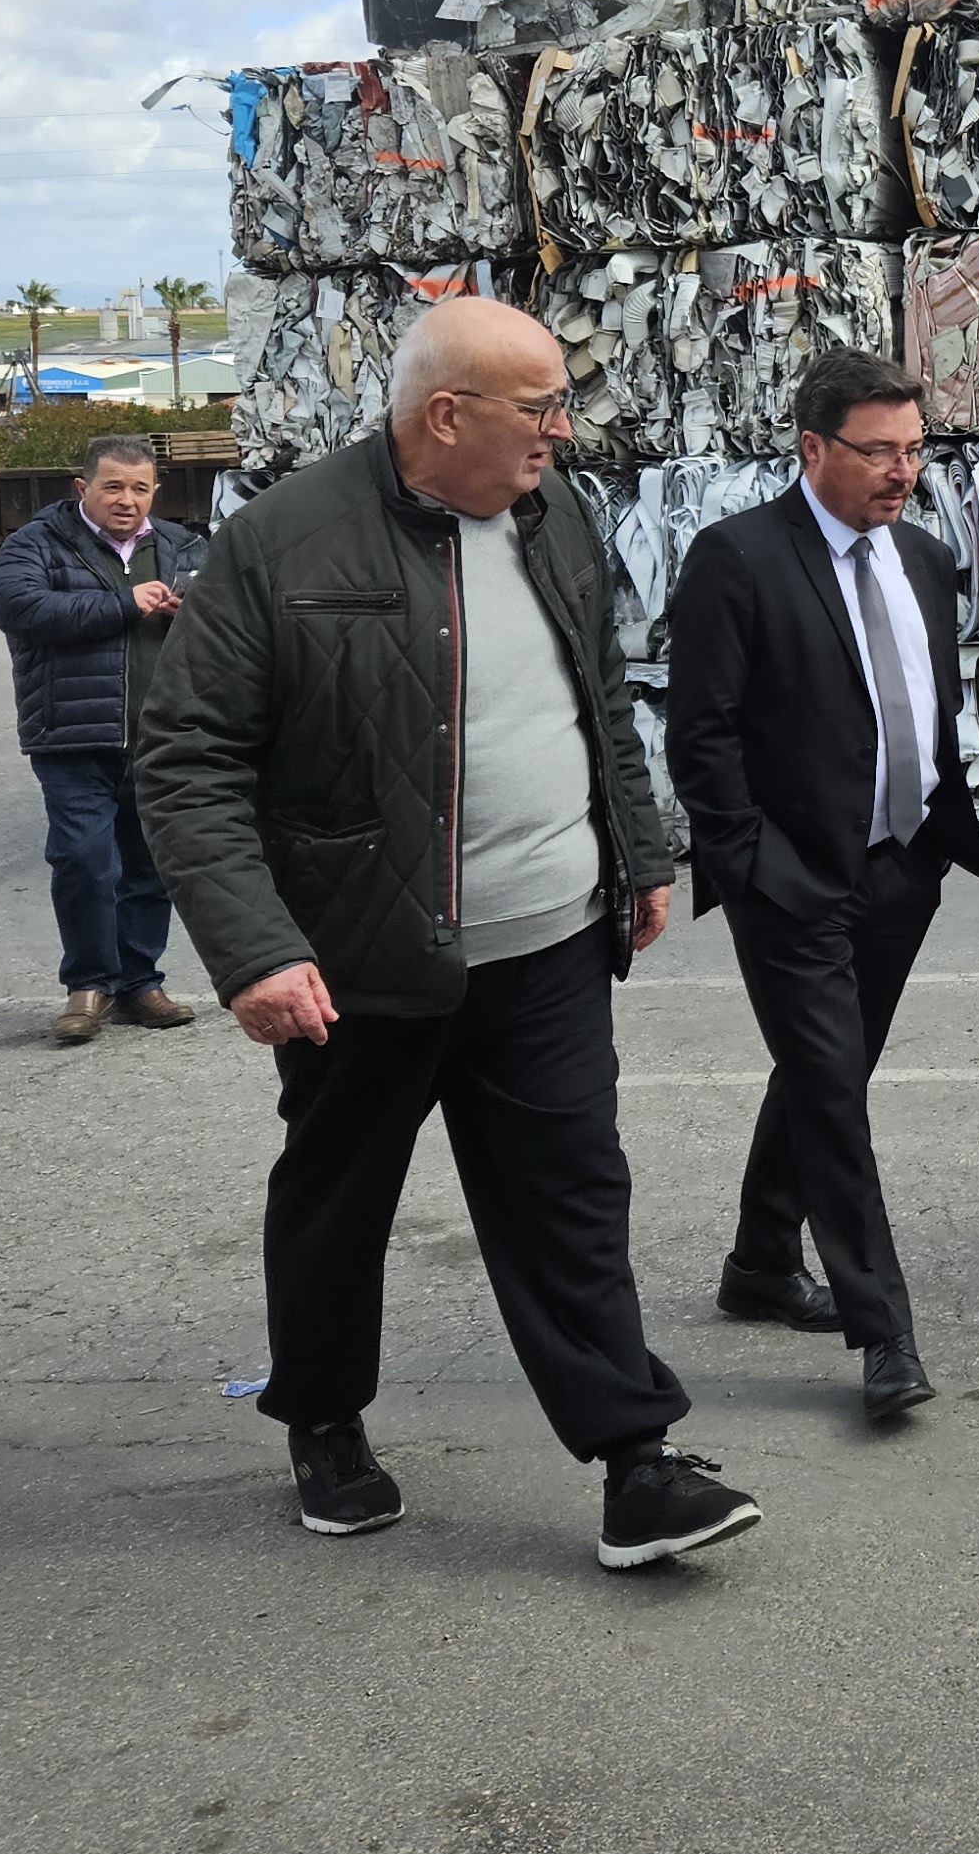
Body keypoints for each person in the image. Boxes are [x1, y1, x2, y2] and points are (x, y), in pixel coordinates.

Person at [135, 294, 757, 1572]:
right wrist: (254, 949)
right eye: (538, 409)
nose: (560, 431)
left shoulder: (555, 515)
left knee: (573, 1197)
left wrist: (639, 853)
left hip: (548, 944)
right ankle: (322, 1418)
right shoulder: (283, 540)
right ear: (446, 414)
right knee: (339, 1196)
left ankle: (636, 1463)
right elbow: (188, 756)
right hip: (362, 958)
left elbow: (597, 700)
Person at [663, 349, 979, 1424]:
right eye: (879, 452)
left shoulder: (922, 558)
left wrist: (933, 837)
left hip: (902, 865)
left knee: (828, 1071)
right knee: (829, 1089)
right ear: (813, 447)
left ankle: (761, 1263)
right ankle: (883, 1328)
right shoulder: (737, 558)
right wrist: (751, 864)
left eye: (914, 449)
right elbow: (700, 735)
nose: (902, 471)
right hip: (792, 881)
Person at [0, 435, 207, 1044]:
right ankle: (89, 985)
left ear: (155, 490)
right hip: (72, 735)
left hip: (162, 734)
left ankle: (140, 984)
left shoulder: (183, 546)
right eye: (113, 486)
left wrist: (193, 607)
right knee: (85, 861)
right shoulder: (35, 544)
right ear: (82, 488)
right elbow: (19, 607)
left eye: (140, 488)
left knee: (149, 865)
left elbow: (231, 615)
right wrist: (123, 604)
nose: (127, 499)